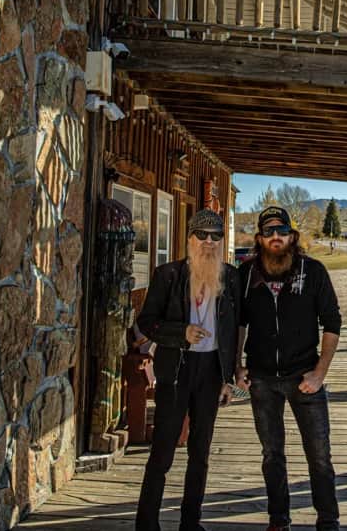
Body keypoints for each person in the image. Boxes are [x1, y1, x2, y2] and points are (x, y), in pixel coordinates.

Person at [236, 206, 342, 531]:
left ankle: (328, 521)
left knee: (319, 454)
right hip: (262, 378)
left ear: (292, 236)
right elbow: (239, 323)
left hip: (304, 376)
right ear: (259, 239)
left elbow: (332, 322)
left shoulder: (313, 271)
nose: (276, 237)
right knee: (272, 454)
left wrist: (320, 373)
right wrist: (237, 366)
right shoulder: (246, 275)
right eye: (268, 231)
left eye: (282, 231)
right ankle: (278, 519)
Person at [136, 209, 240, 531]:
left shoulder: (231, 278)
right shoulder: (168, 275)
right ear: (190, 238)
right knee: (162, 451)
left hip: (211, 371)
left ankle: (190, 523)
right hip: (176, 369)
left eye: (216, 236)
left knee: (200, 453)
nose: (209, 241)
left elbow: (235, 330)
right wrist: (181, 332)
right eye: (202, 235)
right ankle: (146, 524)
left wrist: (228, 379)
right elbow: (146, 322)